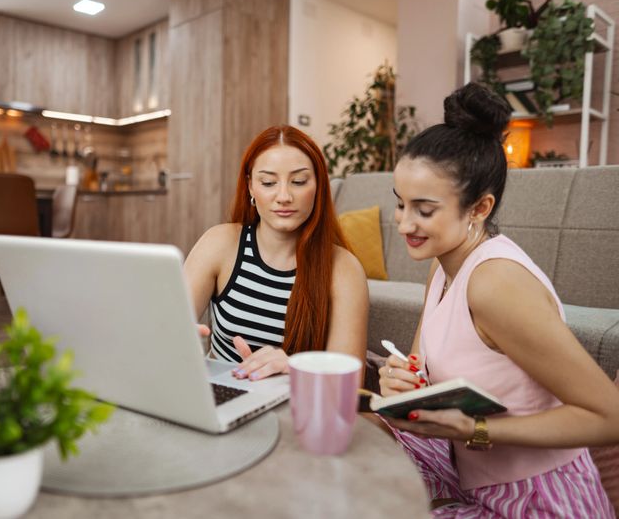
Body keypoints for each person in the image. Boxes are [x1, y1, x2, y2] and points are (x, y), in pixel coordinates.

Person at [379, 82, 619, 517]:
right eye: (400, 204)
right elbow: (422, 371)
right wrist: (403, 383)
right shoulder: (442, 263)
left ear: (479, 207)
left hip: (536, 498)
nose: (404, 224)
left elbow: (609, 418)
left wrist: (477, 429)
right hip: (469, 472)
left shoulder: (496, 284)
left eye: (424, 209)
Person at [184, 125, 368, 380]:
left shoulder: (344, 268)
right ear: (250, 187)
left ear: (318, 187)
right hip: (220, 396)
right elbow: (170, 327)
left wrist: (295, 367)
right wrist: (174, 338)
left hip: (295, 407)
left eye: (299, 181)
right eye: (268, 182)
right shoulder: (220, 243)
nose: (284, 196)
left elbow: (349, 382)